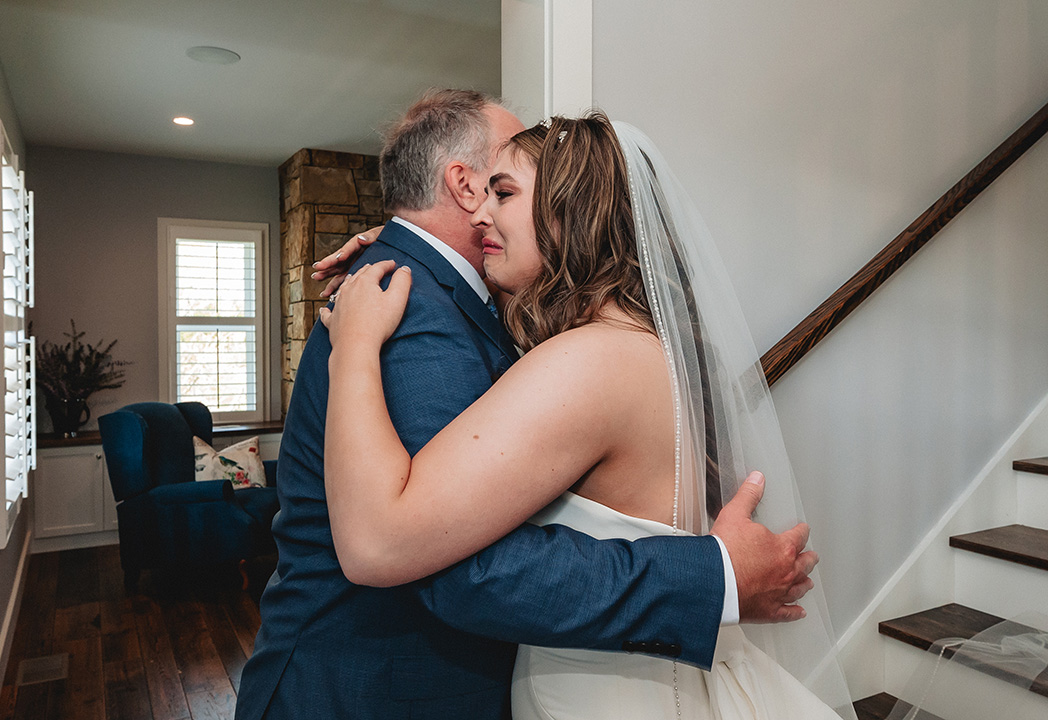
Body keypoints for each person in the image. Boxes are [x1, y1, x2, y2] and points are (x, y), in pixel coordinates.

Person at [235, 89, 817, 720]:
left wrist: (715, 578)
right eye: (488, 188)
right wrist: (713, 579)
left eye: (505, 193)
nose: (486, 210)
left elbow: (435, 549)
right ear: (460, 184)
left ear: (567, 213)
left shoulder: (583, 352)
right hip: (359, 691)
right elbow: (429, 555)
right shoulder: (420, 304)